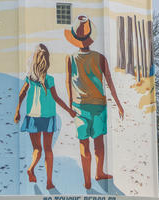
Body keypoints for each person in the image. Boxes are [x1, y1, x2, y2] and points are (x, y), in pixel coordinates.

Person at [65, 15, 125, 189]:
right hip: (98, 106)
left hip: (79, 106)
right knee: (99, 144)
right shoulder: (100, 57)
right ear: (91, 37)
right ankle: (98, 172)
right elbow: (110, 83)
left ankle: (87, 179)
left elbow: (68, 83)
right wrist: (119, 104)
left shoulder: (70, 59)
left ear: (76, 38)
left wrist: (70, 104)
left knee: (84, 144)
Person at [14, 43, 76, 189]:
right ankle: (49, 182)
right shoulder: (50, 80)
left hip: (32, 117)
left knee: (37, 149)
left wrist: (17, 110)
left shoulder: (30, 77)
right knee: (48, 149)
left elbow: (22, 93)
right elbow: (56, 99)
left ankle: (31, 168)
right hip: (48, 117)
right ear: (47, 61)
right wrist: (69, 110)